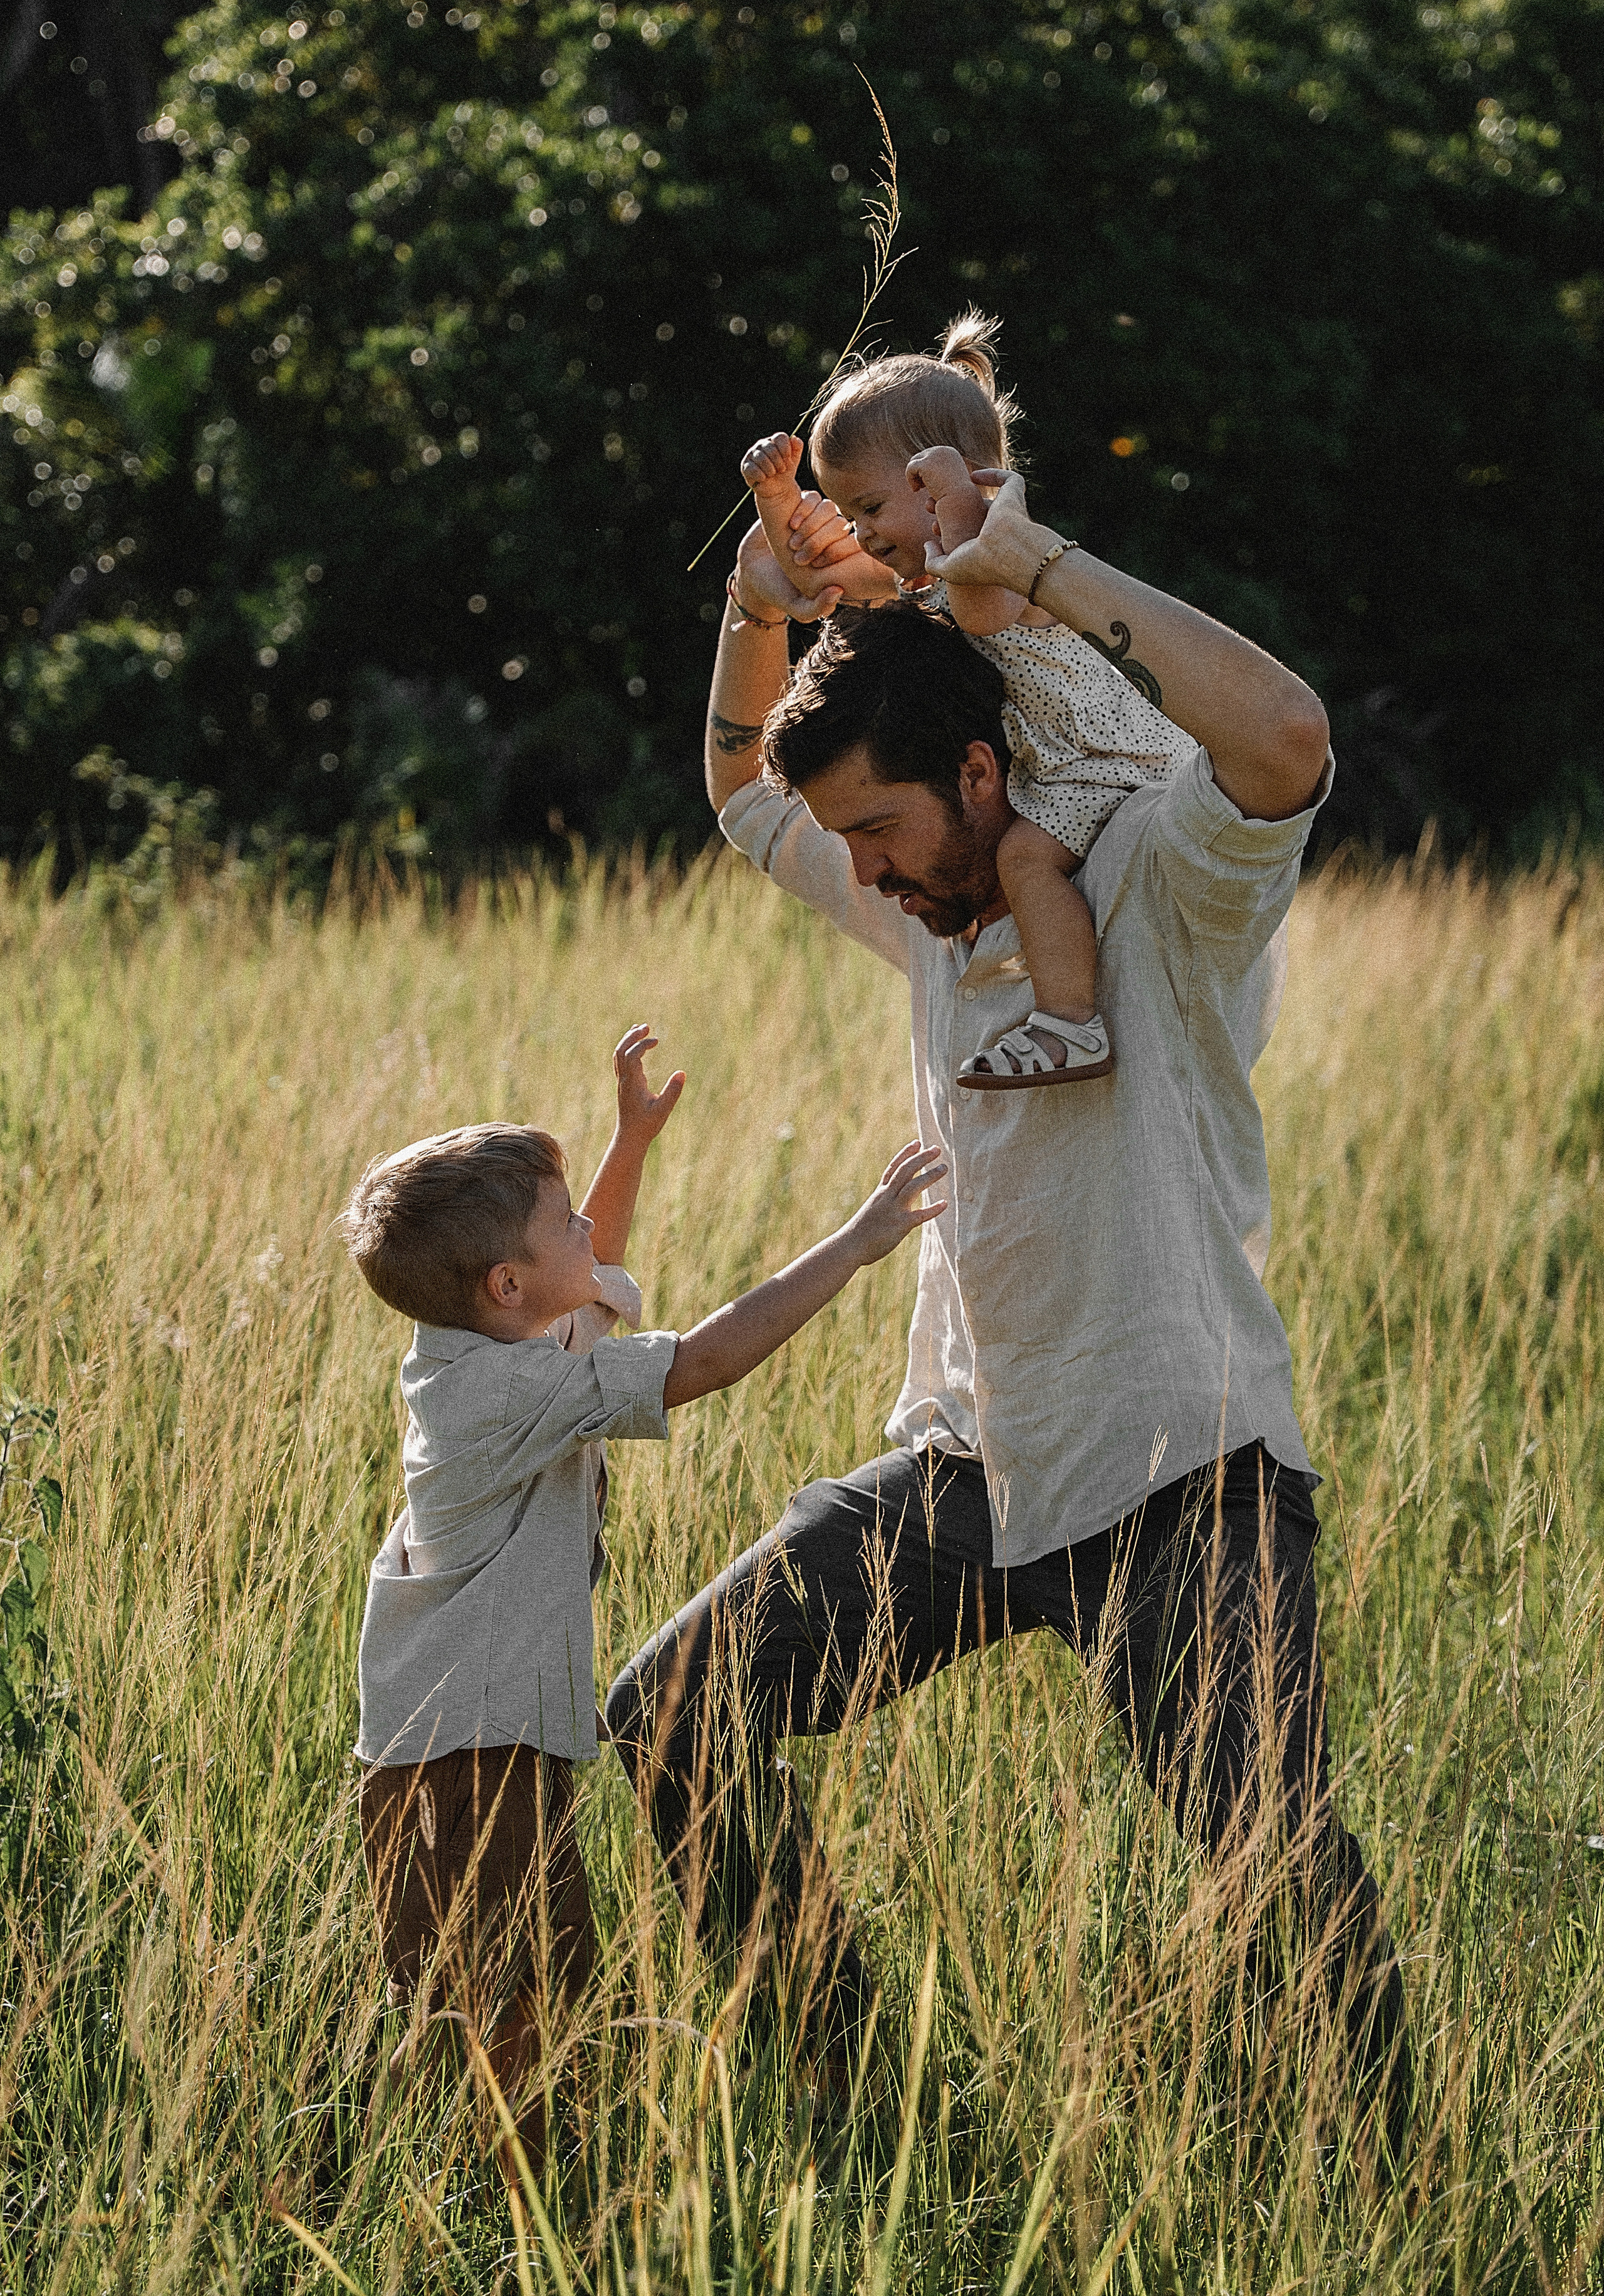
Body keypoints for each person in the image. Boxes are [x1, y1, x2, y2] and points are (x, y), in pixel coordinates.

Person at [605, 465, 1412, 2154]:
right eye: (853, 853)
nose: (869, 879)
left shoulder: (1154, 887)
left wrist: (1024, 563)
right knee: (670, 1715)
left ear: (980, 773)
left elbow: (1284, 740)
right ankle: (884, 2129)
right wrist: (761, 600)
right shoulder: (925, 918)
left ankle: (1403, 2190)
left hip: (1177, 1469)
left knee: (1276, 1861)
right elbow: (742, 790)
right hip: (967, 1473)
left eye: (886, 834)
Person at [340, 1023, 946, 2178]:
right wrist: (858, 1244)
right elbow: (705, 1359)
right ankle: (551, 2215)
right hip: (467, 1765)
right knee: (517, 2019)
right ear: (506, 1282)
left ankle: (544, 2199)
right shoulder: (503, 1395)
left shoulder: (482, 1341)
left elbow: (574, 1283)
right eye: (564, 1222)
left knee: (519, 2002)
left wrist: (626, 1144)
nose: (589, 1234)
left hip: (465, 1749)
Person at [739, 314, 1196, 1089]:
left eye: (872, 508)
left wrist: (960, 505)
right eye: (847, 512)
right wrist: (773, 497)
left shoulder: (998, 553)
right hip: (1060, 756)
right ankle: (1066, 1019)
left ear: (936, 480)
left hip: (1105, 758)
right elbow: (820, 578)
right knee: (1022, 853)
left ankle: (1071, 1025)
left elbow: (982, 613)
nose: (860, 532)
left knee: (1023, 858)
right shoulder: (933, 568)